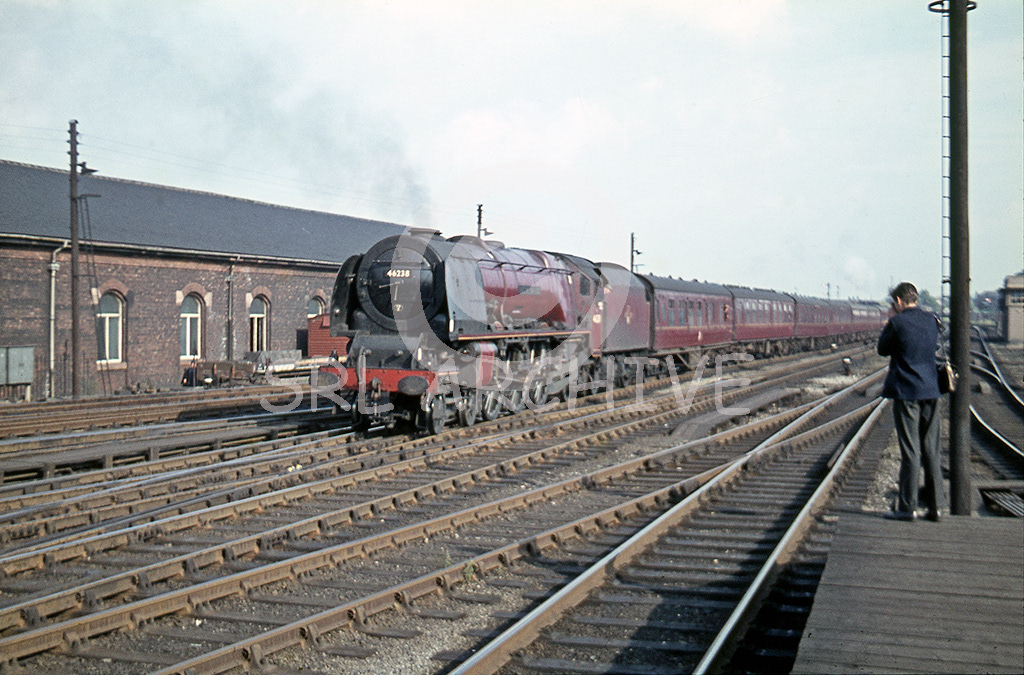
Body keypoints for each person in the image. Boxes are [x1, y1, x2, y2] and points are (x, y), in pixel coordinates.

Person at [877, 282, 945, 521]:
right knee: (931, 450)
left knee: (911, 451)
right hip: (932, 390)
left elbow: (882, 350)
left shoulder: (897, 322)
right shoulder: (933, 319)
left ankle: (907, 508)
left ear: (898, 301)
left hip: (907, 392)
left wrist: (890, 321)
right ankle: (936, 507)